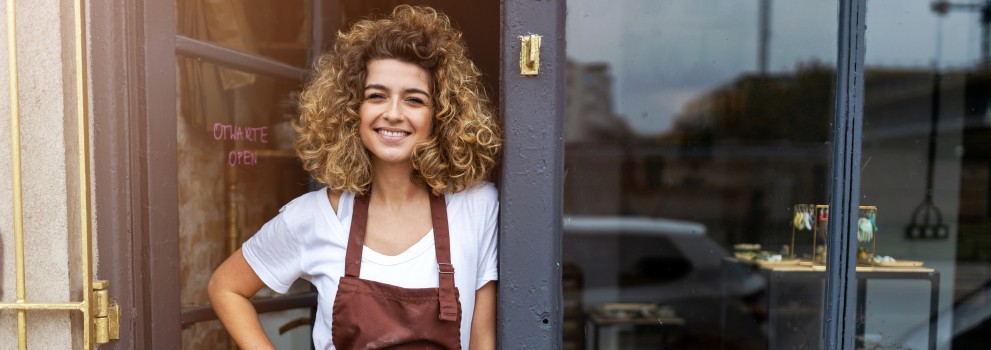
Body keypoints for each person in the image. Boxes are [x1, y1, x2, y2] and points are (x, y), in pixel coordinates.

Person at [208, 5, 502, 349]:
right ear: (351, 109)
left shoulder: (478, 207)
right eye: (376, 96)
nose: (393, 114)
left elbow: (483, 340)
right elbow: (226, 287)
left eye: (414, 100)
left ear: (440, 115)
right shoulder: (315, 217)